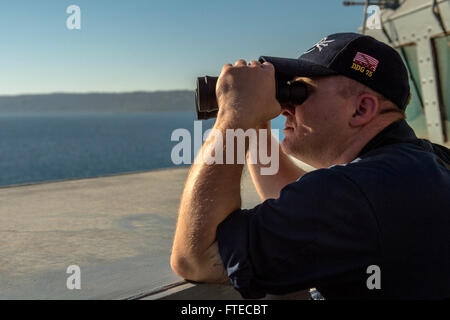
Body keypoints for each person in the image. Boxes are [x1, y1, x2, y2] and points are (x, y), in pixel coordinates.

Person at [170, 32, 450, 299]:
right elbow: (300, 201)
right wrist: (255, 121)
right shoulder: (425, 162)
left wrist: (235, 114)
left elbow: (198, 258)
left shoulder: (357, 194)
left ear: (361, 109)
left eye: (300, 92)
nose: (284, 108)